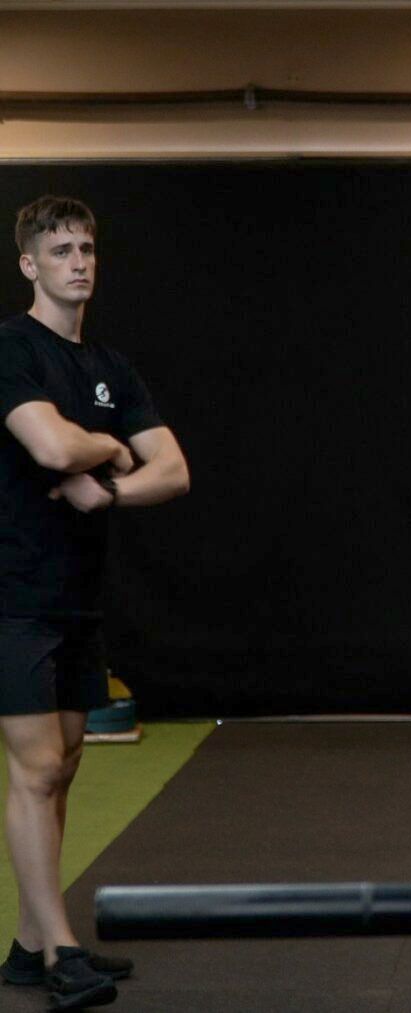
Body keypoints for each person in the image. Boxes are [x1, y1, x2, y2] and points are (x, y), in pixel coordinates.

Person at [0, 196, 191, 1009]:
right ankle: (62, 950)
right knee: (38, 768)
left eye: (85, 249)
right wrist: (111, 445)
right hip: (11, 595)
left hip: (75, 597)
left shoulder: (112, 366)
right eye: (60, 250)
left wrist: (107, 489)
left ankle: (28, 945)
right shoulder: (12, 348)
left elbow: (174, 469)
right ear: (29, 264)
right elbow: (49, 445)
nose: (77, 262)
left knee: (67, 763)